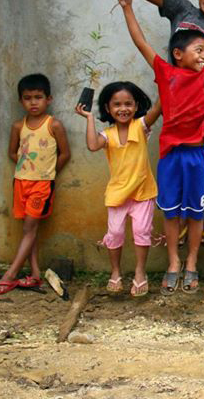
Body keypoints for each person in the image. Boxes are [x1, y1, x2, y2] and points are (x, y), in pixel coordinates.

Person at [118, 0, 204, 295]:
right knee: (172, 211)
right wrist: (127, 9)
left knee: (195, 213)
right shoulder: (166, 73)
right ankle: (173, 263)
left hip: (198, 155)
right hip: (171, 155)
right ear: (178, 54)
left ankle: (191, 262)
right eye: (199, 50)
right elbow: (140, 42)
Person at [0, 74, 71, 295]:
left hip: (42, 184)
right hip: (21, 182)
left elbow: (65, 154)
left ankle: (10, 276)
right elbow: (12, 152)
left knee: (29, 228)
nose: (33, 102)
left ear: (48, 99)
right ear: (20, 101)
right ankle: (34, 274)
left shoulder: (54, 125)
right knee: (29, 229)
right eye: (27, 98)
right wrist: (28, 167)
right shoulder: (17, 126)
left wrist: (48, 172)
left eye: (38, 97)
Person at [75, 82, 161, 297]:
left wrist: (167, 79)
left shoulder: (140, 126)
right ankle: (115, 271)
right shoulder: (108, 134)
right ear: (107, 108)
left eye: (128, 104)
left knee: (141, 233)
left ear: (136, 105)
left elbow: (159, 108)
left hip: (143, 191)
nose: (123, 109)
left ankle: (140, 273)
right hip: (118, 193)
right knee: (114, 234)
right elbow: (93, 145)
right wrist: (88, 118)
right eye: (117, 105)